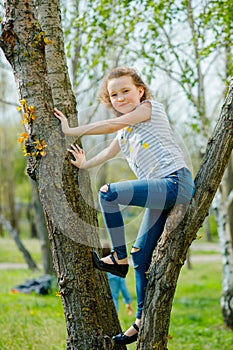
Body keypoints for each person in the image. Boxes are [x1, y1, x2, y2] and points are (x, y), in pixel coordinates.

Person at [54, 67, 195, 345]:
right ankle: (141, 320)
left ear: (139, 91)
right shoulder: (126, 133)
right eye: (113, 95)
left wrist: (70, 131)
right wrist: (85, 163)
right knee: (141, 257)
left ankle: (117, 259)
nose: (120, 98)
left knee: (108, 193)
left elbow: (109, 126)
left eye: (125, 91)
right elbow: (107, 151)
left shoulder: (150, 109)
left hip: (174, 182)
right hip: (160, 191)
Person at [102, 242, 133, 315]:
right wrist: (128, 302)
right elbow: (123, 288)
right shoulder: (116, 270)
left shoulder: (99, 268)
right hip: (113, 305)